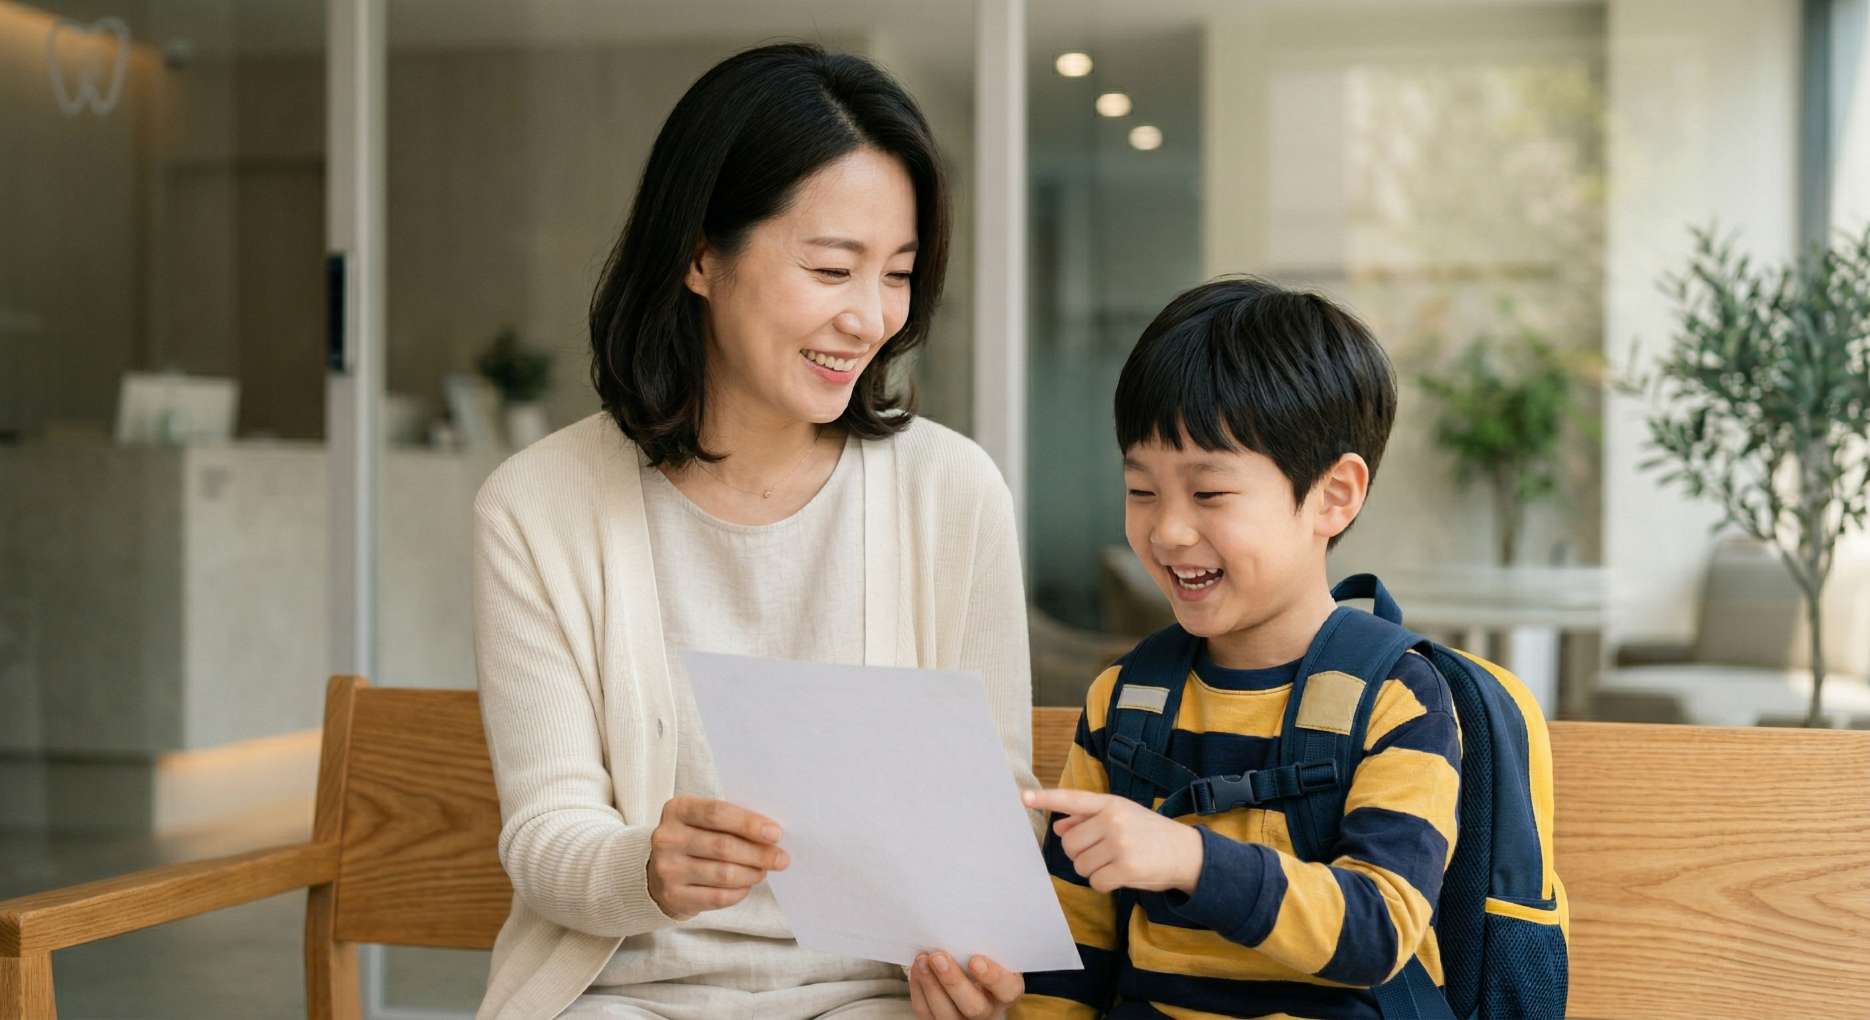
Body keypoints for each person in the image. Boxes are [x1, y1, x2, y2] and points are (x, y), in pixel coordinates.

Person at [472, 43, 1034, 1020]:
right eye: (830, 268)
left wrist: (975, 952)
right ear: (699, 254)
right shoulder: (538, 505)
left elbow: (997, 810)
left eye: (896, 275)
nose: (869, 318)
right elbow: (544, 834)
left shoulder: (950, 492)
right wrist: (639, 863)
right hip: (624, 996)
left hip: (873, 1000)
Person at [1014, 278, 1462, 1020]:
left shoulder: (1396, 697)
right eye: (1141, 490)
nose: (1167, 531)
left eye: (1210, 493)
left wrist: (1190, 859)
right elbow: (1072, 949)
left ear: (1334, 495)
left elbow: (1378, 927)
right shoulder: (1123, 700)